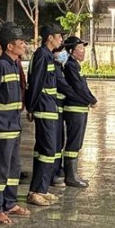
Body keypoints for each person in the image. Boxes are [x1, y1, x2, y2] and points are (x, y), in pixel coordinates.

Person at [0, 24, 32, 225]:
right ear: (10, 46)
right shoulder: (0, 66)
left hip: (13, 126)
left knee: (13, 168)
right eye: (21, 43)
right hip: (1, 128)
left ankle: (9, 203)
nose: (24, 45)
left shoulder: (13, 64)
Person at [26, 23, 71, 206]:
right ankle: (36, 191)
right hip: (44, 109)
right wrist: (31, 107)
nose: (61, 39)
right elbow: (35, 83)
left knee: (48, 151)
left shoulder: (48, 56)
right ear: (50, 38)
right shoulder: (41, 55)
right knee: (47, 150)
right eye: (58, 35)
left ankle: (41, 189)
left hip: (50, 107)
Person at [61, 35, 98, 188]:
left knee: (78, 142)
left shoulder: (75, 65)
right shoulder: (70, 66)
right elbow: (79, 87)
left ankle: (73, 173)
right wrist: (92, 99)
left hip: (80, 108)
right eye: (80, 48)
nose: (83, 52)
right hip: (74, 108)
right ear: (71, 51)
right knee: (74, 141)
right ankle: (70, 176)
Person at [51, 42, 71, 186]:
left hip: (58, 108)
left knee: (59, 140)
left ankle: (58, 168)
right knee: (54, 142)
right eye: (61, 51)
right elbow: (63, 85)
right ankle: (54, 171)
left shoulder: (60, 66)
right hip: (52, 108)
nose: (63, 54)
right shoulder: (53, 65)